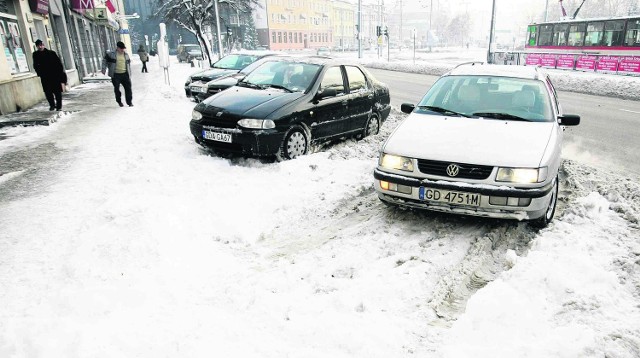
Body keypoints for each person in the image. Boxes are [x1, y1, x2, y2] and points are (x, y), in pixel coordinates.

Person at [32, 39, 67, 111]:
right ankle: (52, 105)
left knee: (57, 92)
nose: (40, 47)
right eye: (38, 46)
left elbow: (59, 64)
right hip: (45, 77)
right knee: (48, 92)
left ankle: (59, 106)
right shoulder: (35, 54)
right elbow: (35, 65)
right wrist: (39, 73)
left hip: (55, 76)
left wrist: (59, 73)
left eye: (41, 45)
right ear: (37, 46)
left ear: (44, 45)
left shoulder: (51, 53)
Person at [101, 41, 133, 107]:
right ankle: (119, 101)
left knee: (128, 89)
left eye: (123, 48)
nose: (122, 50)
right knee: (117, 89)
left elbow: (128, 64)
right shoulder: (111, 54)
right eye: (121, 48)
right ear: (117, 48)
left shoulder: (126, 55)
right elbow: (104, 61)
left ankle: (129, 102)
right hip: (115, 75)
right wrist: (103, 69)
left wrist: (129, 73)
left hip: (125, 74)